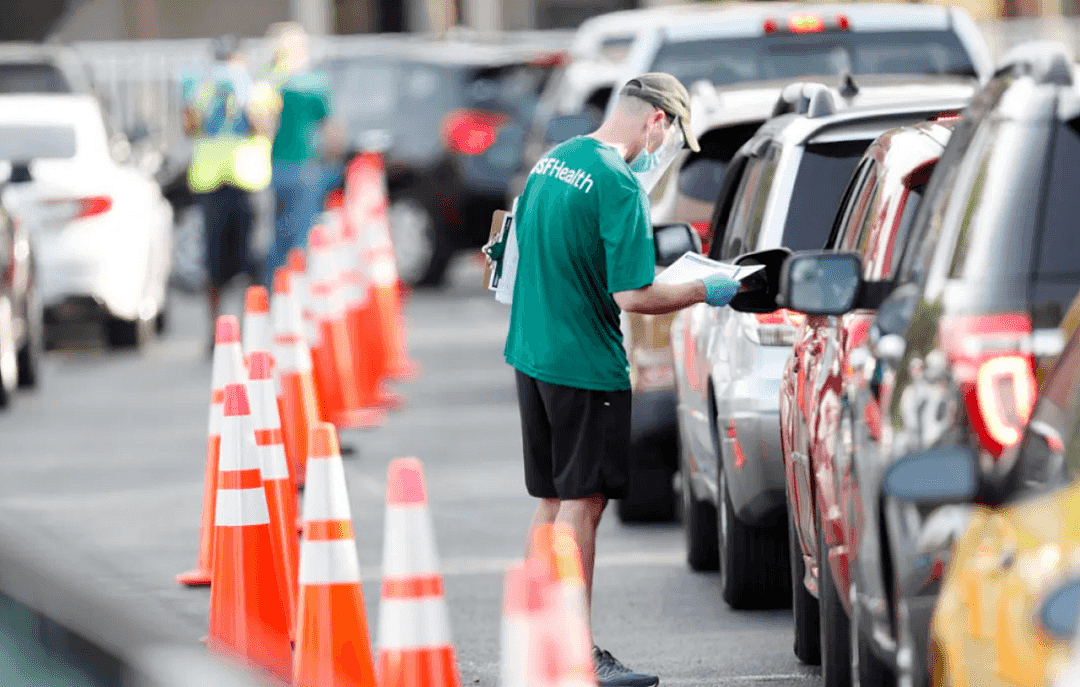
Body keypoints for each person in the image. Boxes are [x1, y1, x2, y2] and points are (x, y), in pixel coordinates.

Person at [504, 73, 751, 687]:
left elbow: (516, 252)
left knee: (554, 500)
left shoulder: (553, 162)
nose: (665, 151)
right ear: (658, 122)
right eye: (671, 137)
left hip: (533, 354)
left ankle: (538, 638)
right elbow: (635, 295)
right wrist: (708, 287)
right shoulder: (617, 183)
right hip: (585, 366)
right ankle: (573, 651)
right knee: (583, 506)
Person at [180, 34, 275, 353]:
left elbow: (265, 128)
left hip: (249, 185)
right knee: (213, 265)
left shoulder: (259, 89)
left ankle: (256, 330)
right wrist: (196, 100)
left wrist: (244, 99)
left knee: (254, 260)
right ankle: (216, 332)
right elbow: (190, 128)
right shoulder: (204, 91)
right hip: (211, 186)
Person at [261, 22, 344, 284]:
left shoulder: (268, 82)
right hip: (304, 166)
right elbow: (331, 132)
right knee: (301, 233)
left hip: (271, 166)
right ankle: (299, 289)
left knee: (275, 235)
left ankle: (275, 288)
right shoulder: (314, 84)